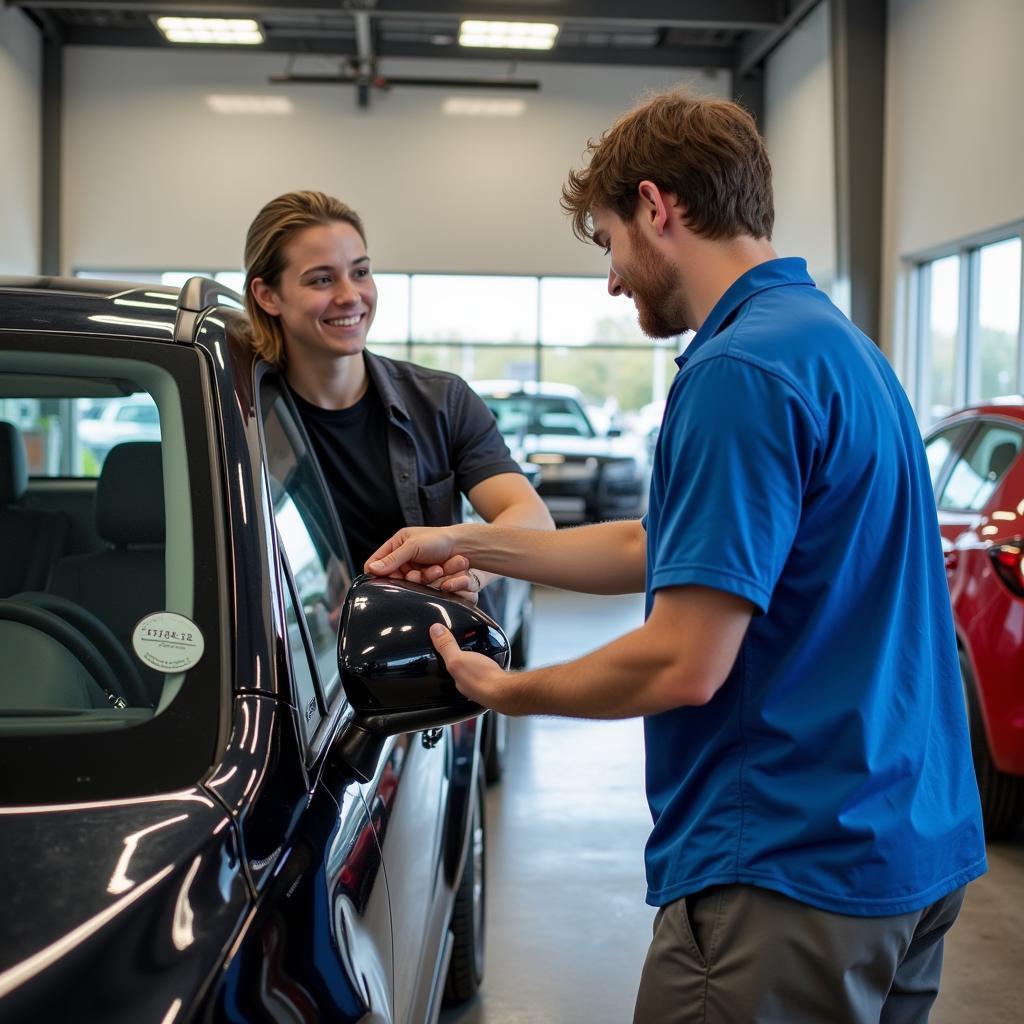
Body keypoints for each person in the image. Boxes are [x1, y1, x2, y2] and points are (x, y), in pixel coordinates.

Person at [363, 90, 987, 1023]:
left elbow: (684, 660)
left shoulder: (736, 371)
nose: (615, 279)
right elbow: (667, 545)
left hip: (785, 868)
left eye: (610, 240)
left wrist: (503, 691)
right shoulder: (836, 348)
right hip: (908, 849)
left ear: (658, 207)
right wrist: (469, 538)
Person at [242, 190, 553, 609]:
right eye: (321, 279)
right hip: (303, 664)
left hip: (435, 656)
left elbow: (533, 519)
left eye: (361, 272)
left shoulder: (444, 402)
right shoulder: (241, 416)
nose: (351, 295)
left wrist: (465, 570)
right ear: (268, 296)